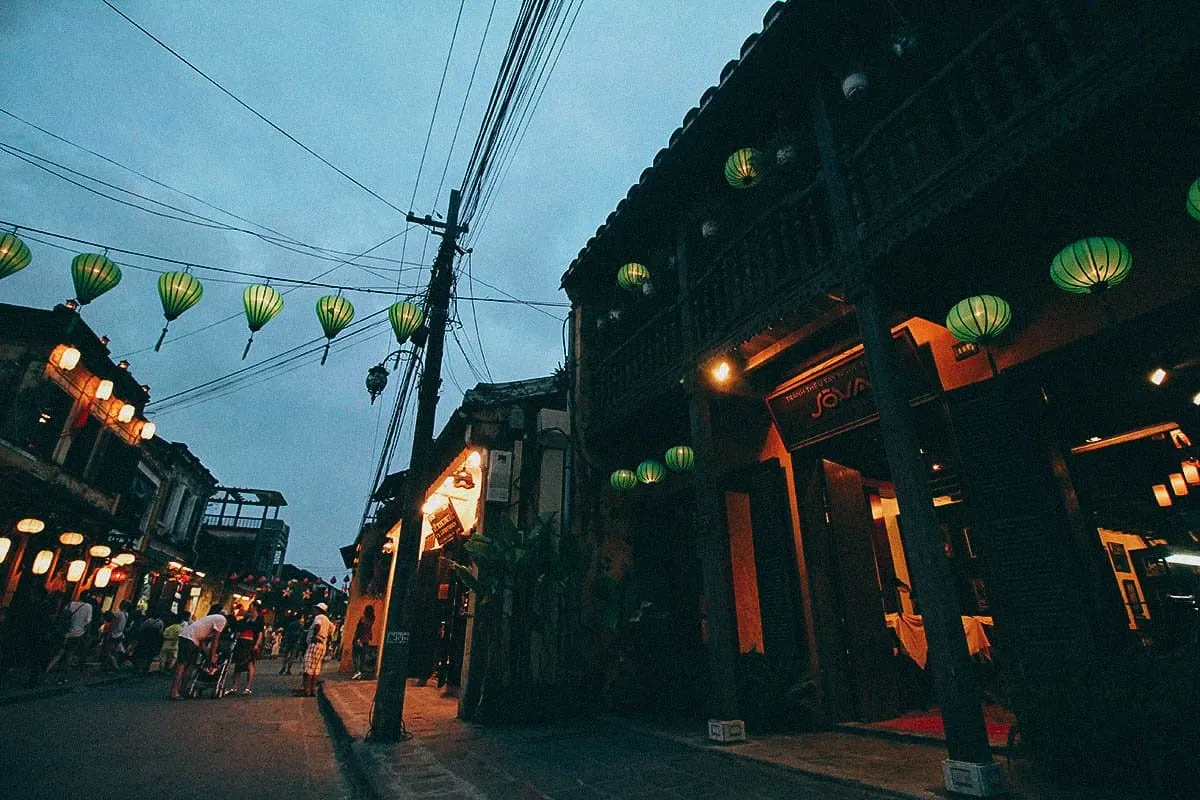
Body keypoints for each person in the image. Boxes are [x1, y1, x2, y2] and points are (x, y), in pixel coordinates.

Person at [169, 605, 227, 700]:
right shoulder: (221, 620)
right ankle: (174, 691)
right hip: (189, 638)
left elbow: (202, 641)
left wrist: (208, 654)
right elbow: (215, 641)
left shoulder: (209, 619)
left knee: (191, 665)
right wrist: (212, 656)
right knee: (182, 664)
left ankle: (183, 690)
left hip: (192, 638)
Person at [46, 593, 93, 674]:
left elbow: (63, 616)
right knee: (69, 654)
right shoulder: (88, 607)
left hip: (65, 632)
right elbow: (88, 622)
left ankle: (47, 669)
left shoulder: (71, 603)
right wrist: (87, 633)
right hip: (77, 634)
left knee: (59, 652)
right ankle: (62, 674)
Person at [296, 603, 333, 697]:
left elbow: (317, 626)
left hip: (315, 644)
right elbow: (330, 632)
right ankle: (312, 689)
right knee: (316, 668)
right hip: (322, 645)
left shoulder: (319, 618)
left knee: (308, 667)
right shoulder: (328, 621)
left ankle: (307, 689)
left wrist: (314, 636)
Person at [229, 604, 264, 696]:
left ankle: (248, 687)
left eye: (252, 607)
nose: (250, 609)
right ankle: (234, 687)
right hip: (241, 642)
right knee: (238, 665)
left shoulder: (259, 620)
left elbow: (260, 633)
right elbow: (239, 630)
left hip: (251, 643)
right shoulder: (245, 619)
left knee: (250, 664)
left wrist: (257, 644)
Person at [103, 601, 131, 671]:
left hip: (113, 634)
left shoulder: (118, 614)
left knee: (108, 651)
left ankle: (115, 665)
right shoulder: (126, 614)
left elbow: (111, 621)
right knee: (114, 651)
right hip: (120, 634)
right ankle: (108, 665)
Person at [351, 605, 375, 680]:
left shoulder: (363, 619)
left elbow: (359, 629)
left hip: (360, 639)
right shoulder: (372, 619)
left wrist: (357, 638)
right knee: (362, 656)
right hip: (366, 639)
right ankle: (360, 672)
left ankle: (357, 671)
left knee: (355, 655)